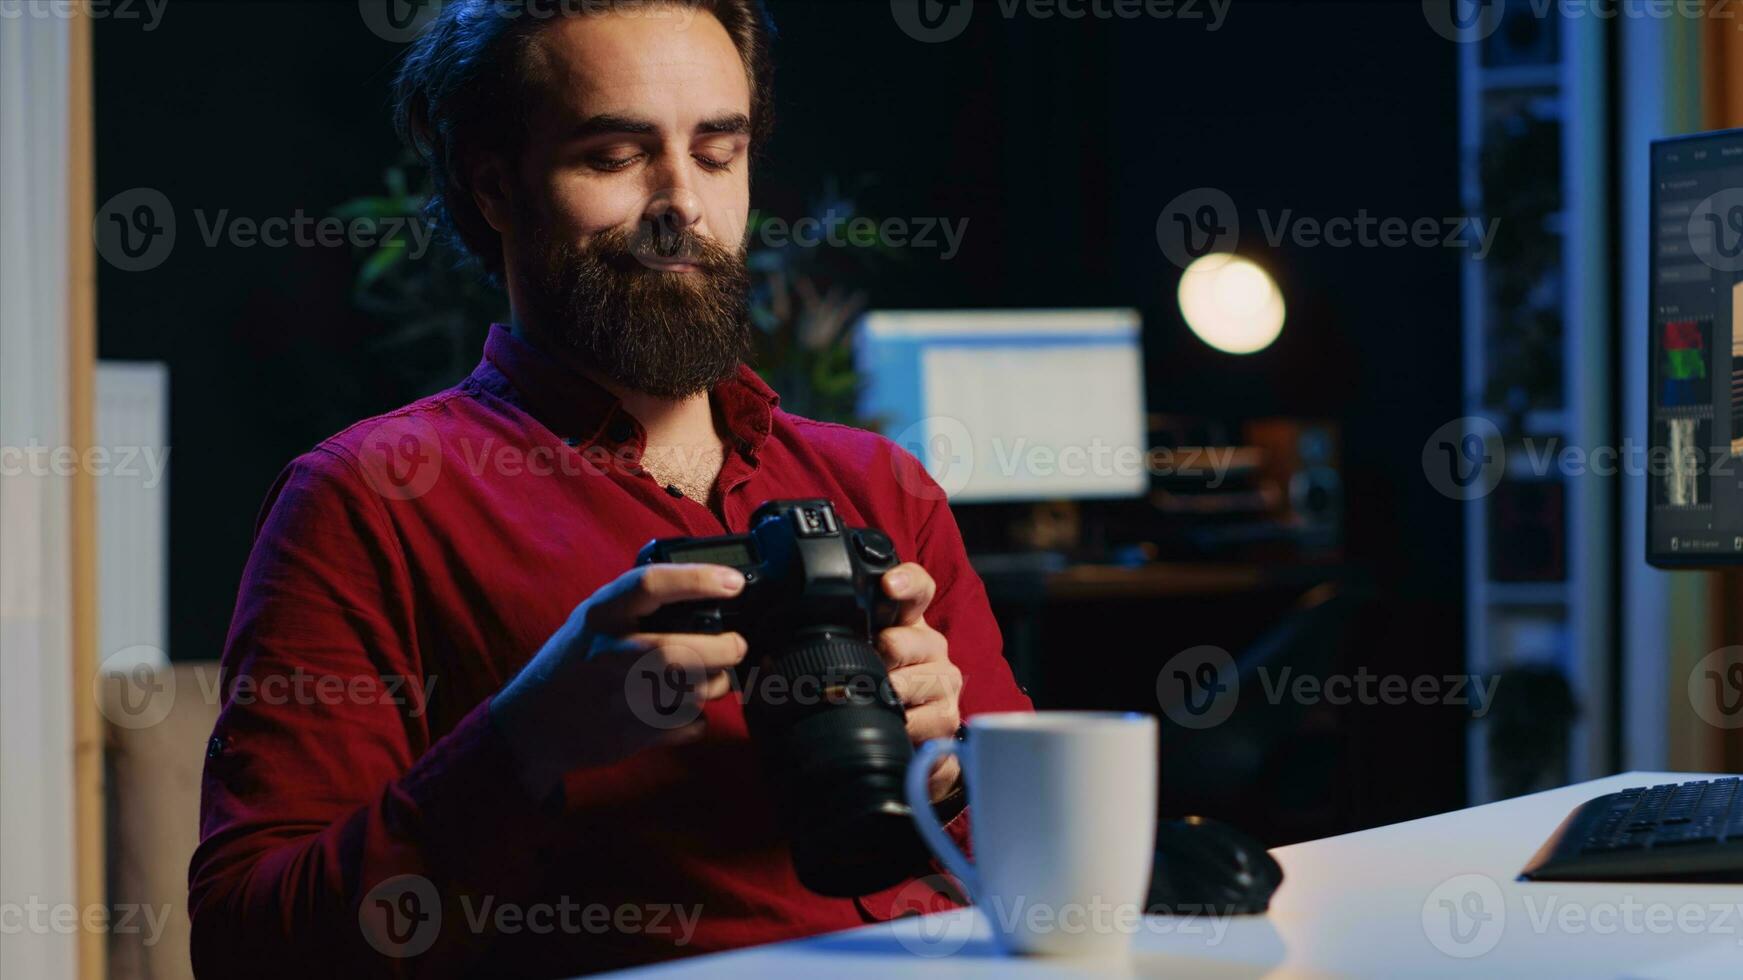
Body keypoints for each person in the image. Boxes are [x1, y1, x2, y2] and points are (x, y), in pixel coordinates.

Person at [188, 1, 1031, 975]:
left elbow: (1048, 880)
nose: (682, 200)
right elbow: (249, 943)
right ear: (494, 185)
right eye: (616, 156)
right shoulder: (367, 500)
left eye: (718, 153)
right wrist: (525, 739)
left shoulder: (878, 483)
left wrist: (951, 771)